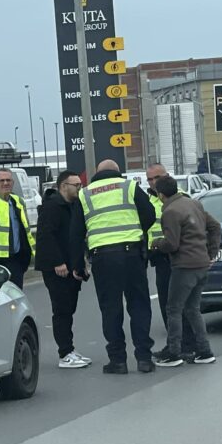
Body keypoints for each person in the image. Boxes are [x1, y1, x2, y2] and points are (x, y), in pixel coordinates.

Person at [70, 159, 157, 374]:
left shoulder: (85, 194)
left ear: (97, 173)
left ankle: (118, 360)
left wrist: (78, 265)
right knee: (139, 305)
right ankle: (144, 358)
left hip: (103, 257)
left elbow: (76, 233)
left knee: (111, 308)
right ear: (117, 171)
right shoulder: (129, 187)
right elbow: (149, 214)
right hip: (132, 253)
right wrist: (135, 230)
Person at [150, 175, 221, 366]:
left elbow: (172, 244)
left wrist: (156, 243)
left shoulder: (170, 211)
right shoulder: (193, 204)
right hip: (201, 264)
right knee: (192, 309)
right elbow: (215, 226)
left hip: (184, 266)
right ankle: (204, 351)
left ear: (160, 194)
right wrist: (211, 253)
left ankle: (173, 353)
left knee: (173, 309)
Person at [35, 171, 92, 369]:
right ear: (63, 186)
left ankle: (70, 349)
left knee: (69, 308)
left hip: (71, 265)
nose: (79, 188)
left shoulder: (75, 205)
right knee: (61, 309)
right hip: (57, 267)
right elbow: (45, 236)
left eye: (80, 185)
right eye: (76, 185)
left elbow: (78, 237)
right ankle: (65, 353)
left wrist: (81, 262)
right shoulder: (52, 207)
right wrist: (57, 262)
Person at [145, 163, 197, 360]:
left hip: (178, 255)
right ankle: (175, 345)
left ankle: (187, 346)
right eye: (149, 179)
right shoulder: (147, 199)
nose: (153, 182)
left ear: (167, 176)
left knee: (180, 304)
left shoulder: (181, 197)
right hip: (159, 257)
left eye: (157, 178)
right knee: (167, 304)